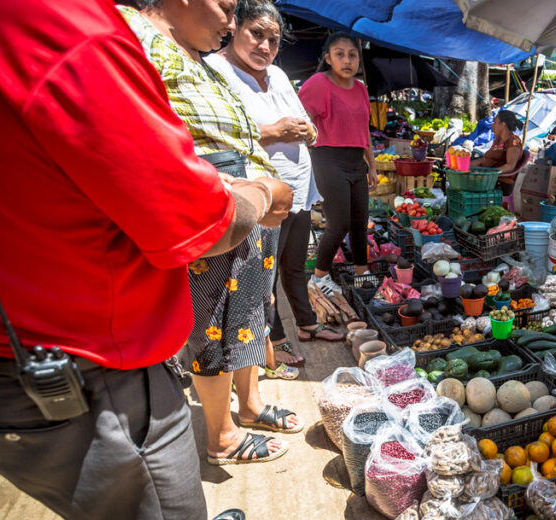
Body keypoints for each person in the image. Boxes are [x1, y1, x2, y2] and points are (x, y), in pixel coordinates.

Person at [0, 0, 293, 520]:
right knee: (143, 494)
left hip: (36, 328)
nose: (234, 12)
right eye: (230, 6)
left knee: (155, 492)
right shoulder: (68, 33)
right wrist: (257, 192)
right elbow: (194, 218)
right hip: (80, 351)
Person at [122, 0, 306, 466]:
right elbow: (145, 136)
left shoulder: (197, 58)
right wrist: (237, 189)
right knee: (212, 318)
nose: (229, 20)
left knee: (247, 311)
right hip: (212, 203)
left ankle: (249, 405)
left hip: (250, 204)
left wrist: (264, 191)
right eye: (225, 7)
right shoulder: (136, 38)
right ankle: (220, 434)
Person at [206, 1, 342, 372]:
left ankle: (307, 323)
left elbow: (304, 121)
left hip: (296, 191)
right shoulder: (216, 70)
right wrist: (273, 132)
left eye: (274, 39)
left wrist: (308, 130)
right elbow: (217, 136)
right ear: (235, 28)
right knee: (258, 275)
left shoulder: (279, 76)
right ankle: (273, 340)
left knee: (293, 264)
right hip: (257, 195)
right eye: (256, 34)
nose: (265, 46)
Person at [299, 32, 379, 296]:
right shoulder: (318, 83)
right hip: (328, 158)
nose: (347, 60)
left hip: (357, 162)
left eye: (352, 55)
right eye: (340, 54)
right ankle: (319, 277)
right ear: (328, 58)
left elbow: (364, 130)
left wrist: (373, 165)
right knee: (339, 222)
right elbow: (301, 120)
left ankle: (361, 273)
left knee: (360, 221)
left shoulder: (360, 89)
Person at [473, 109, 525, 189]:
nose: (492, 126)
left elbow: (510, 166)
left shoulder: (514, 140)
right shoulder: (497, 141)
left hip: (499, 182)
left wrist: (488, 173)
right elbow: (484, 160)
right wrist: (463, 166)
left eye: (495, 123)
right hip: (486, 179)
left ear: (503, 125)